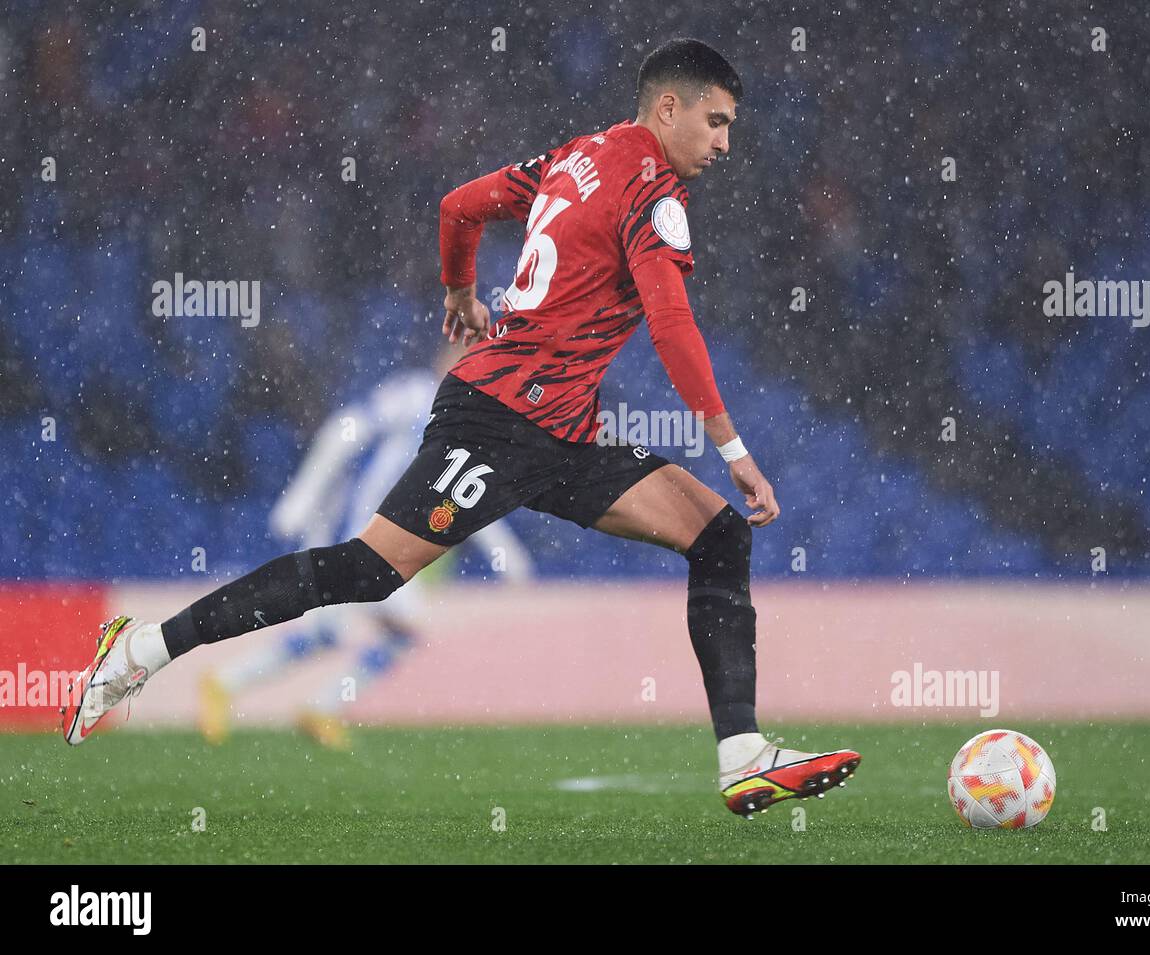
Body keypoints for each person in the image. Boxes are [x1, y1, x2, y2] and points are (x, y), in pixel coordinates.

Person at [62, 37, 859, 819]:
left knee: (717, 535)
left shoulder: (572, 158)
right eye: (715, 122)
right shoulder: (653, 192)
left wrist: (459, 292)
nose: (724, 143)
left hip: (564, 431)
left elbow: (460, 207)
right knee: (368, 571)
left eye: (730, 128)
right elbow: (672, 323)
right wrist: (735, 450)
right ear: (669, 107)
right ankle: (140, 651)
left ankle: (742, 756)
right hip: (500, 419)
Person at [197, 359, 535, 750]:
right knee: (346, 630)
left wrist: (503, 550)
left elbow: (463, 495)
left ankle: (304, 702)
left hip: (388, 539)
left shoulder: (467, 425)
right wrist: (304, 494)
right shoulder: (415, 394)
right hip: (357, 525)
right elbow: (344, 431)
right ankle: (230, 685)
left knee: (387, 630)